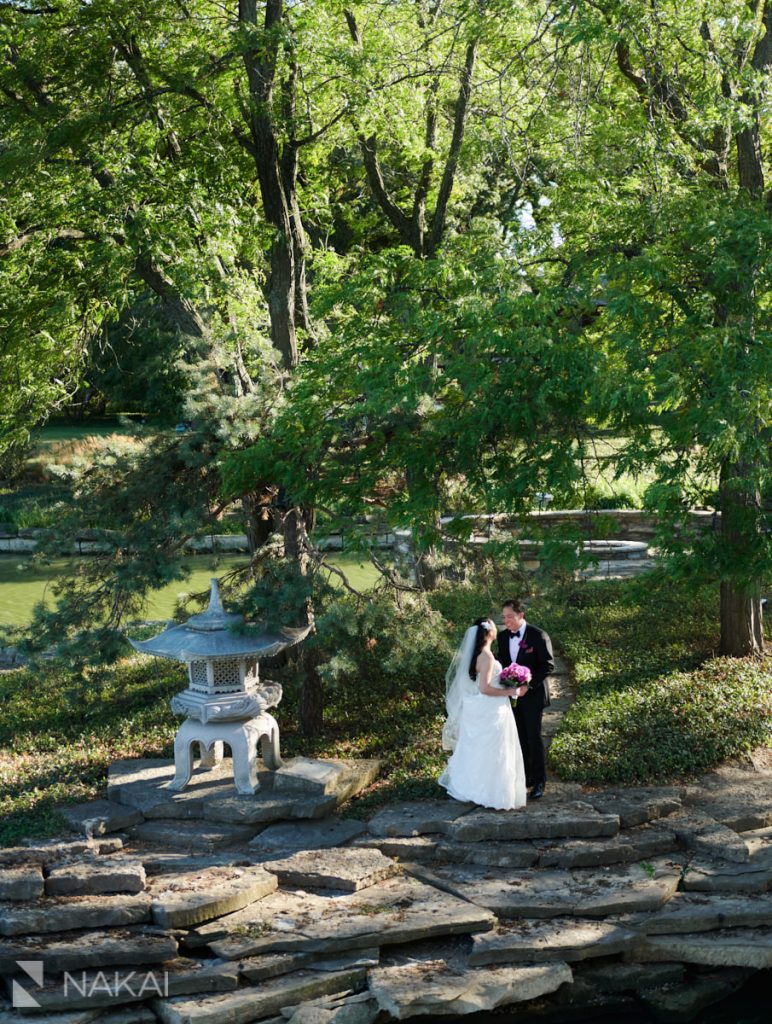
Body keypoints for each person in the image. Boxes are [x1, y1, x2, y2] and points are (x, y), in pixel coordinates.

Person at [439, 617, 527, 810]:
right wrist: (511, 691)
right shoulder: (486, 657)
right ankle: (491, 793)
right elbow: (485, 688)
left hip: (484, 708)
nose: (497, 627)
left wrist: (508, 680)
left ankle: (475, 787)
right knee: (494, 750)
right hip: (491, 709)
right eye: (494, 625)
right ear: (489, 632)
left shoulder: (479, 654)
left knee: (482, 749)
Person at [499, 599, 555, 800]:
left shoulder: (538, 635)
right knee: (519, 738)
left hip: (533, 696)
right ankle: (526, 778)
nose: (506, 621)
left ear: (521, 615)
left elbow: (547, 665)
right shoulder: (503, 637)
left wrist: (527, 685)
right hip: (512, 697)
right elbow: (502, 663)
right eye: (504, 617)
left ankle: (540, 781)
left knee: (533, 737)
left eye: (510, 617)